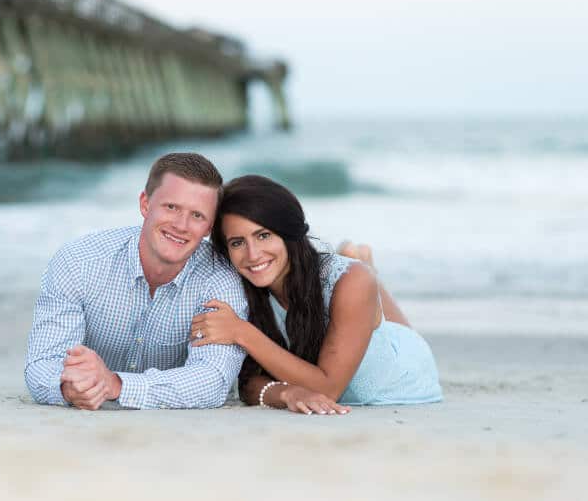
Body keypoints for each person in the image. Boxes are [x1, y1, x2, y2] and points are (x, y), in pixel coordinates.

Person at [191, 175, 443, 412]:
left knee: (359, 281)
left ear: (288, 232)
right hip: (344, 298)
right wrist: (287, 394)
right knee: (357, 284)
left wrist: (241, 332)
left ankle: (362, 265)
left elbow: (328, 388)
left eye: (264, 235)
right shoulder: (243, 287)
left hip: (401, 371)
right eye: (237, 242)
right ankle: (360, 261)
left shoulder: (348, 281)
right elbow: (248, 383)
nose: (253, 254)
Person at [24, 152, 251, 409]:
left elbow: (213, 381)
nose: (181, 225)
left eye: (197, 215)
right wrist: (69, 387)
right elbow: (42, 364)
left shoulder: (221, 278)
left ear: (210, 226)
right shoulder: (78, 261)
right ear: (145, 204)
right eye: (171, 207)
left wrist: (116, 385)